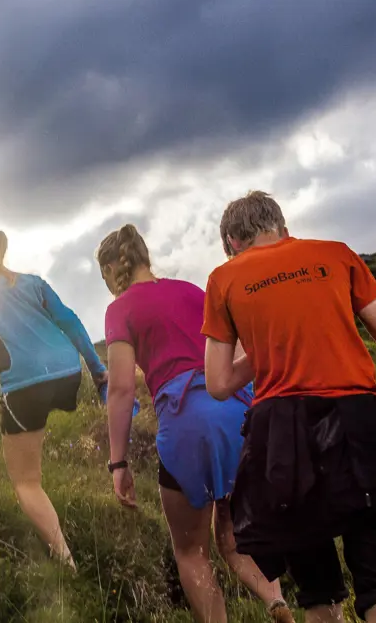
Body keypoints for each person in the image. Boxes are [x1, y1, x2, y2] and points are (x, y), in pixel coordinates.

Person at [202, 191, 376, 623]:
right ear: (284, 229)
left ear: (231, 240)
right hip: (361, 425)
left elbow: (218, 383)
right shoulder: (336, 255)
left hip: (283, 440)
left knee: (316, 593)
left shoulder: (224, 278)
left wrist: (267, 346)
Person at [95, 224, 294, 623]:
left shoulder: (120, 309)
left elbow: (120, 389)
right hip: (239, 413)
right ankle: (277, 603)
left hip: (187, 425)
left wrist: (118, 463)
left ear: (115, 267)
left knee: (191, 552)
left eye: (105, 277)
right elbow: (237, 348)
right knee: (233, 538)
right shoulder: (191, 290)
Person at [0, 226, 108, 570]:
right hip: (68, 373)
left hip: (24, 385)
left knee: (25, 483)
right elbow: (71, 321)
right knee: (38, 438)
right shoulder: (32, 283)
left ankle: (67, 564)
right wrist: (97, 370)